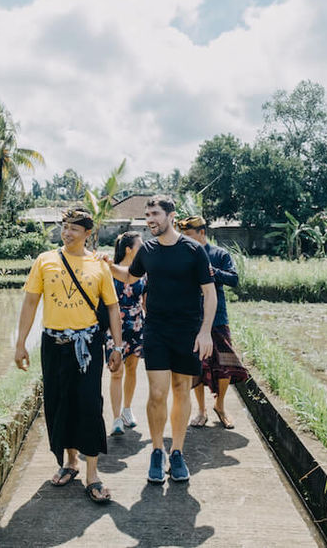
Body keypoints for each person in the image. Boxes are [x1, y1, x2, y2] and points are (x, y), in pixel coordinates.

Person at [103, 195, 217, 483]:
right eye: (147, 215)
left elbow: (210, 293)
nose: (150, 220)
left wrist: (205, 332)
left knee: (181, 390)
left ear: (171, 216)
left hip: (187, 331)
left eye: (155, 214)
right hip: (155, 330)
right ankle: (157, 450)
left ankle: (176, 452)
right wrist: (107, 265)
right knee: (157, 393)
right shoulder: (147, 250)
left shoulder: (193, 250)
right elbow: (130, 276)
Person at [14, 207, 123, 504]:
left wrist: (117, 346)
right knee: (60, 403)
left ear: (88, 233)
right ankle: (71, 462)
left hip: (87, 345)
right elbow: (30, 303)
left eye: (74, 228)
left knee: (89, 404)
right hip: (53, 344)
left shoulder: (98, 265)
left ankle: (92, 475)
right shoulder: (45, 260)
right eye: (65, 226)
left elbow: (112, 307)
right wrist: (20, 343)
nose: (67, 232)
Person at [177, 216, 247, 430]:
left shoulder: (219, 254)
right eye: (183, 236)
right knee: (197, 366)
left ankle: (220, 405)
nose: (186, 240)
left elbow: (234, 279)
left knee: (225, 364)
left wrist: (213, 272)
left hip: (217, 318)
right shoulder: (182, 255)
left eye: (189, 235)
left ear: (202, 233)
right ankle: (201, 410)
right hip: (192, 319)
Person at [105, 231, 146, 436]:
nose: (144, 248)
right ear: (129, 249)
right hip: (114, 328)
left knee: (132, 368)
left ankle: (127, 410)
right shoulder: (109, 270)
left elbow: (146, 303)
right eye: (140, 245)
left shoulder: (143, 272)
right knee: (116, 371)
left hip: (137, 326)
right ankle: (116, 419)